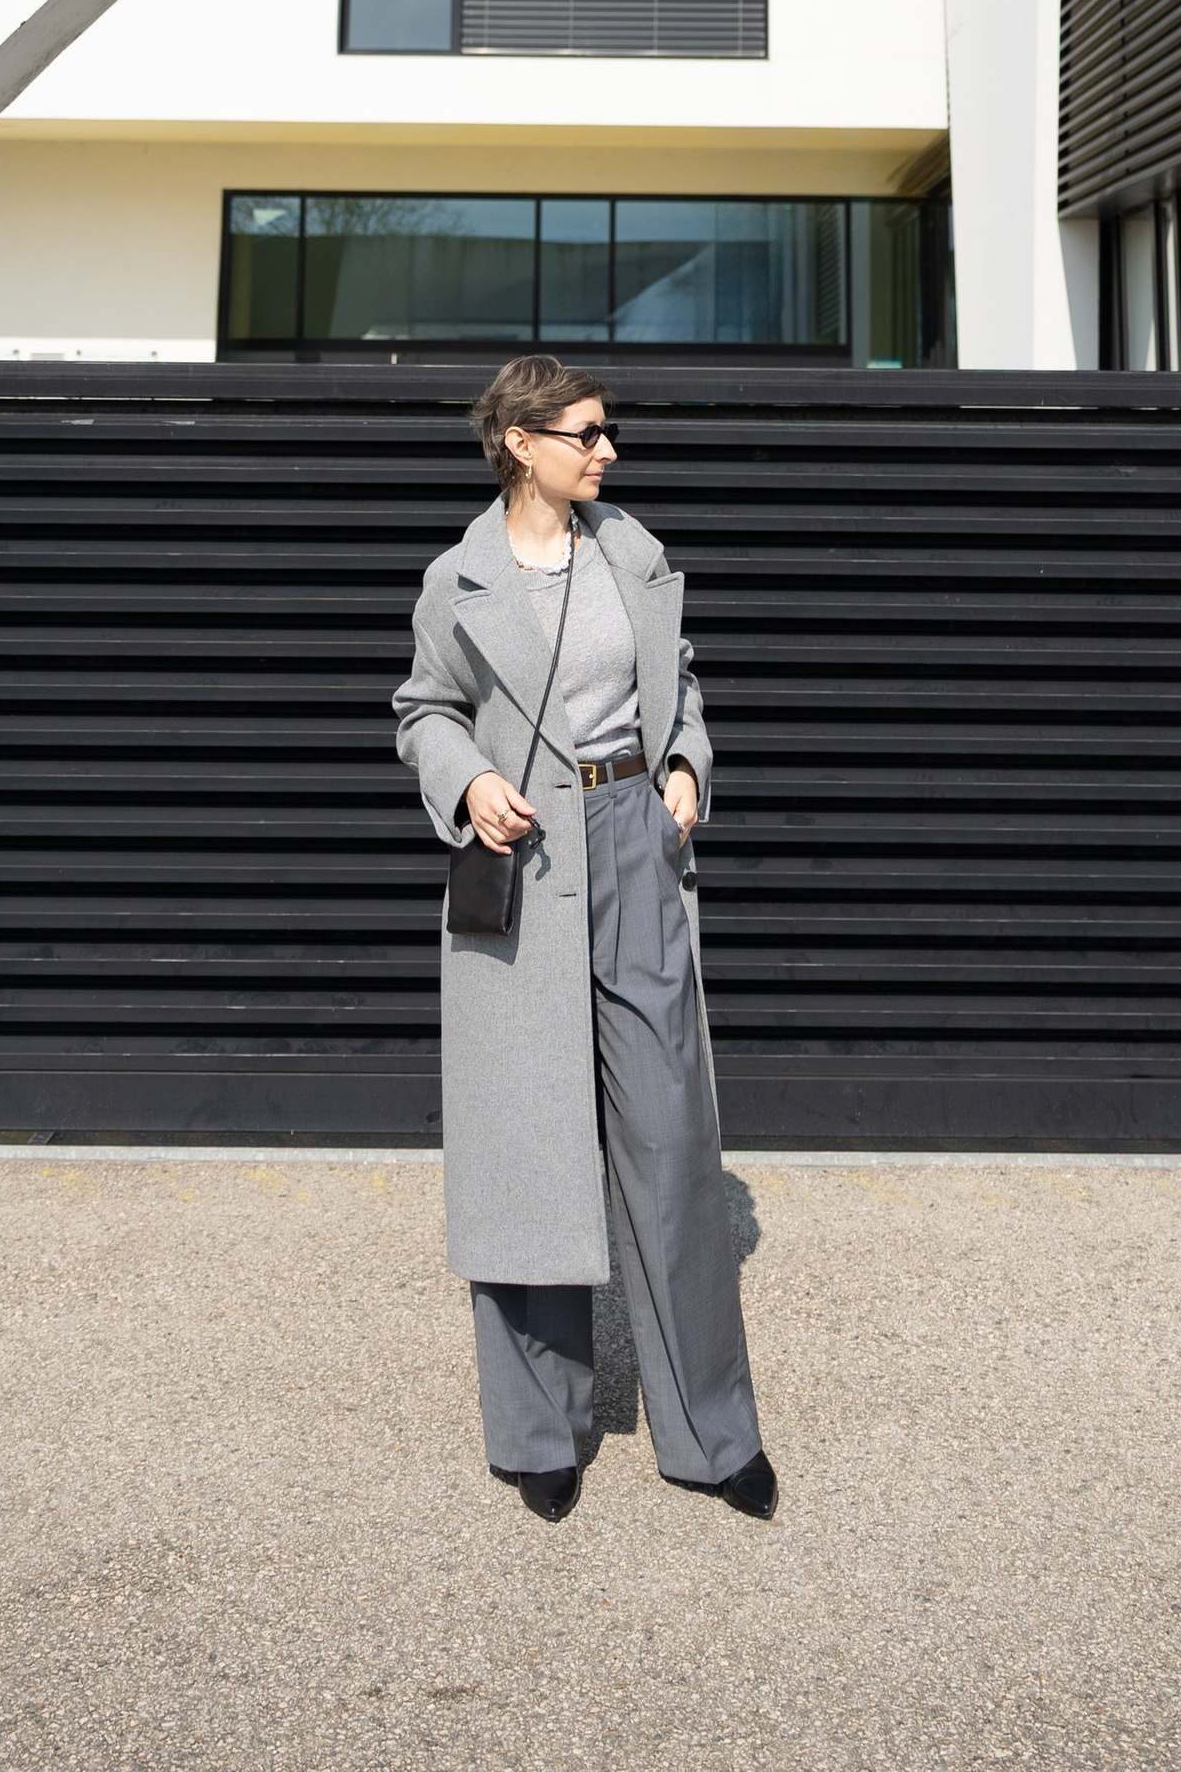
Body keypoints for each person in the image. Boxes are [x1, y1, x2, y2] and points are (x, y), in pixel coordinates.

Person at [392, 351, 776, 1526]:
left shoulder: (633, 556)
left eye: (607, 434)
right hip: (521, 863)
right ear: (521, 444)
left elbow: (685, 685)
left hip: (634, 846)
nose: (607, 452)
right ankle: (539, 1433)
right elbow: (422, 712)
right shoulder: (457, 583)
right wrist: (466, 786)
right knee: (528, 1150)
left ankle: (713, 1434)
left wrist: (682, 769)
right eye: (587, 434)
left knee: (672, 1144)